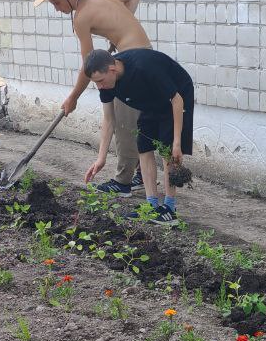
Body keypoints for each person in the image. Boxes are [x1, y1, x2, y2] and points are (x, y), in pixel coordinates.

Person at [33, 0, 150, 195]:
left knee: (123, 121)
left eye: (56, 3)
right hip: (145, 55)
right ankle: (141, 174)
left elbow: (88, 67)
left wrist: (73, 97)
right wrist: (119, 35)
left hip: (132, 63)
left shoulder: (81, 18)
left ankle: (123, 182)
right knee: (135, 119)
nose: (57, 9)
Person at [82, 48, 195, 225]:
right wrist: (101, 158)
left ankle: (169, 209)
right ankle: (151, 205)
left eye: (100, 81)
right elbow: (109, 120)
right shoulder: (107, 83)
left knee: (167, 151)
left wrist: (177, 143)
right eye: (95, 83)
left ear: (112, 70)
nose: (99, 87)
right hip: (150, 99)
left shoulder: (144, 67)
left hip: (176, 96)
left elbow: (177, 99)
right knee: (143, 145)